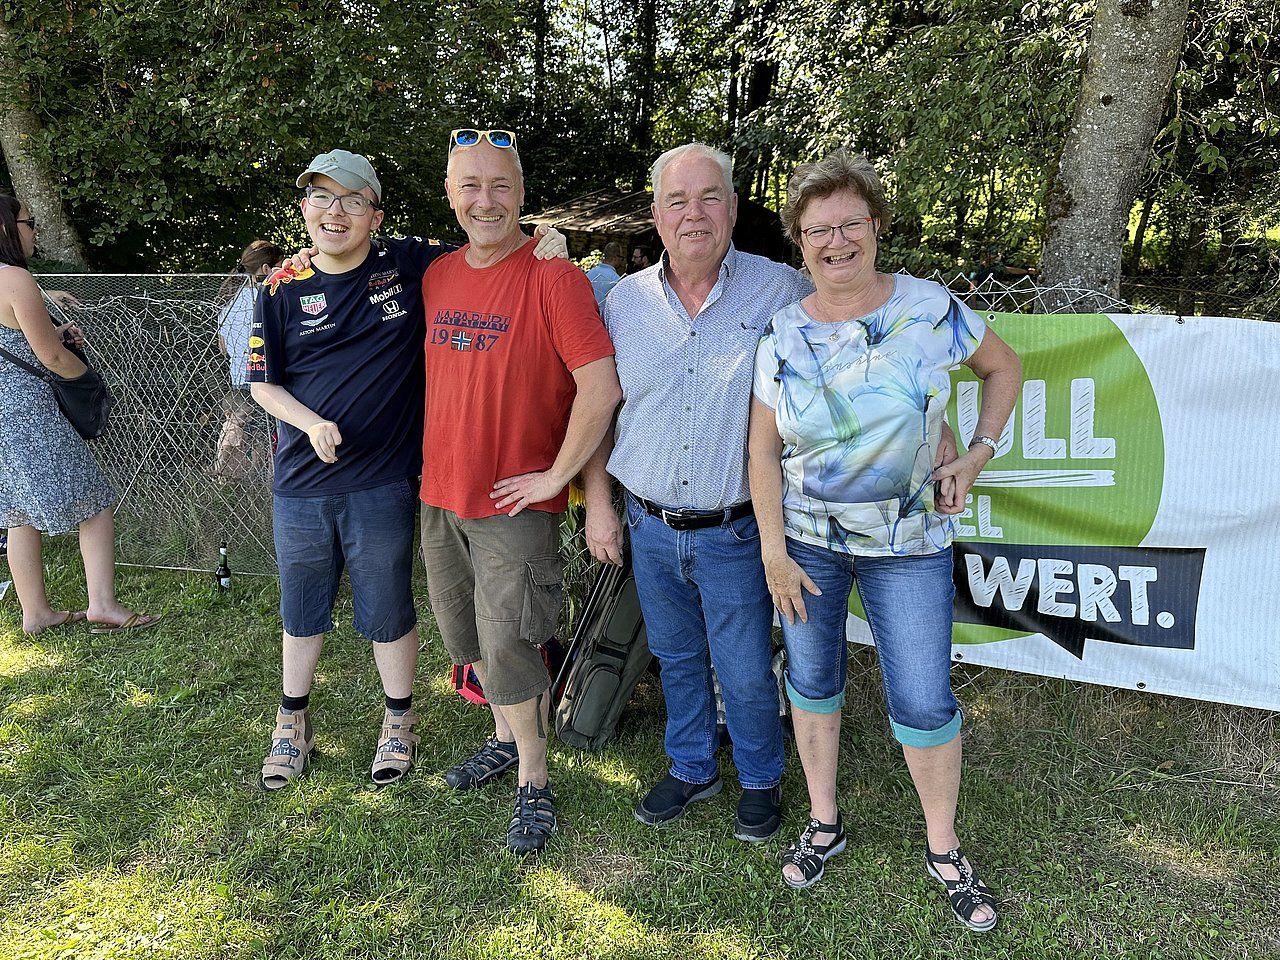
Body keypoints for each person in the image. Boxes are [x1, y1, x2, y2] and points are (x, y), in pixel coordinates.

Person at [747, 150, 1021, 930]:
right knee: (812, 680)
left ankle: (944, 849)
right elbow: (763, 450)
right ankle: (824, 823)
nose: (836, 242)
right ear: (800, 242)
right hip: (807, 544)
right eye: (817, 230)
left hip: (912, 544)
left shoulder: (931, 309)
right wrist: (773, 549)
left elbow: (1005, 369)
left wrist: (977, 452)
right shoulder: (783, 333)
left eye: (849, 224)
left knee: (924, 698)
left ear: (876, 226)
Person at [580, 143, 812, 843]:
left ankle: (762, 778)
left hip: (735, 528)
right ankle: (691, 766)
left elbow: (858, 326)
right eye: (677, 200)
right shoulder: (623, 303)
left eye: (710, 197)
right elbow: (597, 408)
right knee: (676, 655)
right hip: (647, 523)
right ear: (656, 215)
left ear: (734, 208)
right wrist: (597, 502)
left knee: (743, 665)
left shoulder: (781, 289)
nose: (694, 214)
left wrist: (939, 424)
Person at [419, 128, 619, 854]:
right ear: (449, 195)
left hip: (514, 507)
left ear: (523, 194)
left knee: (510, 645)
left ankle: (534, 780)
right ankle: (505, 737)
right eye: (469, 185)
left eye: (500, 185)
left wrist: (558, 478)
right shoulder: (436, 274)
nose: (486, 200)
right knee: (467, 637)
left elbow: (601, 389)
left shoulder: (552, 276)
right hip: (441, 495)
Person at [0, 194, 159, 636]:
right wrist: (86, 380)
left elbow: (13, 336)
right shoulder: (13, 278)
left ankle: (36, 613)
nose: (34, 231)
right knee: (94, 502)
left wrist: (50, 325)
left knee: (18, 514)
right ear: (7, 229)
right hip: (27, 416)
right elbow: (50, 356)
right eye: (29, 222)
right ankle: (102, 605)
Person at [214, 240, 284, 480]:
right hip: (265, 376)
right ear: (266, 270)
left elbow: (222, 347)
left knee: (243, 430)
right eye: (280, 265)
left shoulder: (228, 299)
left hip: (238, 378)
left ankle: (227, 476)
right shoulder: (269, 296)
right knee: (270, 435)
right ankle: (270, 481)